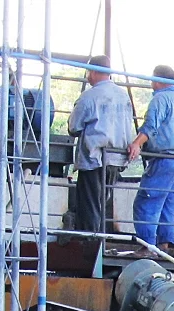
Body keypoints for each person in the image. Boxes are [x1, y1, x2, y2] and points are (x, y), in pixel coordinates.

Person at [128, 64, 174, 258]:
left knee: (146, 201)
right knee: (167, 203)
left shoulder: (160, 99)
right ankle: (165, 244)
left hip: (163, 158)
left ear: (157, 80)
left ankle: (147, 246)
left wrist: (137, 143)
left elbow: (151, 125)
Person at [67, 54, 135, 234]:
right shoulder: (123, 96)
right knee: (103, 201)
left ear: (93, 72)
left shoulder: (89, 97)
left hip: (94, 157)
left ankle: (89, 240)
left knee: (89, 204)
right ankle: (100, 239)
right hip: (117, 157)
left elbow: (74, 127)